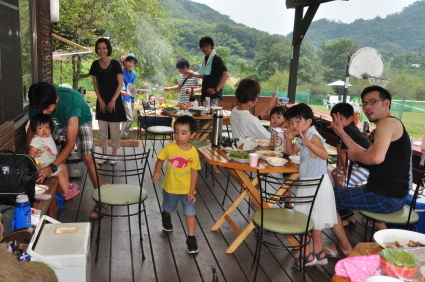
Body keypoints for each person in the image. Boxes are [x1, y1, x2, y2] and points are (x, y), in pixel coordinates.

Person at [326, 85, 411, 258]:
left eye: (372, 102)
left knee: (325, 199)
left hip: (383, 196)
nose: (367, 107)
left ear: (386, 103)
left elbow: (374, 158)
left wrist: (356, 157)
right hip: (393, 195)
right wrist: (341, 133)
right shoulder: (390, 124)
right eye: (364, 103)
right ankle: (390, 247)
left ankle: (345, 247)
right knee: (338, 196)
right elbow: (366, 152)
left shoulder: (387, 123)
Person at [27, 82, 99, 215]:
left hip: (80, 119)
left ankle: (101, 201)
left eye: (47, 109)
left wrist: (53, 166)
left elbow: (71, 143)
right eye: (40, 109)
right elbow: (32, 131)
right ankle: (60, 198)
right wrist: (30, 152)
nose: (43, 112)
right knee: (53, 158)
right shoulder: (38, 103)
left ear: (56, 100)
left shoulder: (72, 101)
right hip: (54, 123)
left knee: (87, 158)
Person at [284, 103, 337, 268]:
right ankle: (319, 252)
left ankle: (306, 256)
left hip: (316, 184)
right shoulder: (303, 135)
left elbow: (324, 155)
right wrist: (288, 138)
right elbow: (291, 152)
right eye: (291, 122)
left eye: (297, 122)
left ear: (309, 121)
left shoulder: (313, 136)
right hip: (310, 182)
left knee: (305, 222)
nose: (293, 126)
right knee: (314, 221)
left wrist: (309, 144)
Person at [151, 116, 201, 254]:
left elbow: (195, 172)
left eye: (184, 133)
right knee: (168, 207)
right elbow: (160, 160)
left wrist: (192, 190)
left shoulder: (193, 152)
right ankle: (166, 216)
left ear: (192, 135)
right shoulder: (170, 148)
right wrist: (156, 172)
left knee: (190, 212)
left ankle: (191, 238)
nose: (179, 136)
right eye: (176, 132)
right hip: (170, 187)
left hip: (187, 190)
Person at [89, 38, 126, 166]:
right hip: (101, 102)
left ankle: (114, 154)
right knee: (102, 130)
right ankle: (104, 153)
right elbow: (95, 85)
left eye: (104, 48)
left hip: (115, 102)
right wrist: (100, 100)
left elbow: (120, 83)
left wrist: (113, 100)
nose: (102, 50)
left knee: (115, 130)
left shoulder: (115, 64)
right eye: (99, 48)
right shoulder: (95, 64)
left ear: (108, 48)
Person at [28, 114, 80, 200]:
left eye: (47, 128)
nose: (44, 130)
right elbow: (32, 150)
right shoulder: (37, 139)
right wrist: (32, 154)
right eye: (40, 128)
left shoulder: (48, 137)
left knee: (63, 166)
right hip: (43, 166)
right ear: (34, 131)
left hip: (50, 162)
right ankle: (66, 192)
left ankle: (67, 185)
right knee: (59, 172)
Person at [330, 103, 372, 188]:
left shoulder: (348, 129)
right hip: (359, 163)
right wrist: (339, 167)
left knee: (342, 182)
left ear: (349, 119)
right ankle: (337, 198)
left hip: (369, 166)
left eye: (340, 119)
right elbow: (339, 147)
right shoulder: (342, 129)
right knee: (337, 174)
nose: (336, 122)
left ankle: (342, 198)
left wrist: (346, 174)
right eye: (333, 119)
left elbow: (343, 152)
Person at [187, 36, 229, 107]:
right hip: (205, 93)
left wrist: (216, 89)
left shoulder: (216, 58)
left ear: (212, 46)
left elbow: (226, 74)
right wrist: (194, 75)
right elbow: (207, 76)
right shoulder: (207, 58)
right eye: (203, 46)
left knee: (210, 115)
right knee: (204, 115)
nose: (205, 48)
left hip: (212, 95)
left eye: (207, 46)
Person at [120, 53, 138, 140]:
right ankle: (122, 136)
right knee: (130, 118)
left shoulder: (133, 74)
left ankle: (124, 136)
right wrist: (121, 62)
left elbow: (131, 86)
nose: (131, 64)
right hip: (124, 97)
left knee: (126, 119)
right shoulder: (121, 71)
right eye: (129, 62)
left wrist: (135, 91)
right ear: (125, 62)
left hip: (132, 97)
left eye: (133, 63)